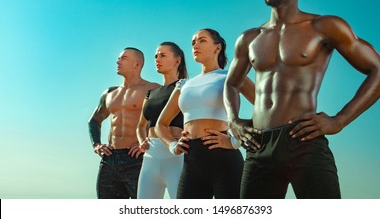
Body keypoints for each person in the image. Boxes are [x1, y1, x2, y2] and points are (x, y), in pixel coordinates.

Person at [224, 0, 380, 199]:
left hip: (303, 140)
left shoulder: (324, 26)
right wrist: (233, 121)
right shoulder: (249, 38)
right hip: (258, 145)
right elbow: (231, 83)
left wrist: (339, 120)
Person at [156, 29, 255, 199]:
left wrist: (235, 141)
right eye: (193, 42)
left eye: (202, 40)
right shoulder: (184, 85)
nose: (195, 45)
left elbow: (267, 109)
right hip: (191, 162)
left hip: (224, 160)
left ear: (217, 48)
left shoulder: (231, 76)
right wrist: (173, 145)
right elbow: (160, 125)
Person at [88, 47, 159, 199]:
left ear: (137, 64)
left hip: (137, 158)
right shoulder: (110, 93)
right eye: (119, 58)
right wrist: (97, 144)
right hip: (110, 158)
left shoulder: (152, 89)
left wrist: (148, 143)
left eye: (123, 58)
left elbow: (167, 121)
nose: (118, 61)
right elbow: (94, 120)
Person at [136, 42, 188, 199]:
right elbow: (141, 125)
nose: (157, 59)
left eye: (163, 55)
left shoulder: (185, 87)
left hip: (176, 156)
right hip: (150, 157)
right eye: (156, 56)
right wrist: (141, 140)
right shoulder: (150, 93)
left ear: (177, 61)